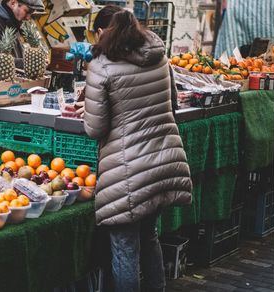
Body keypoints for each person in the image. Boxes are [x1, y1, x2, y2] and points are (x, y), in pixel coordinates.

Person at [83, 7, 193, 292]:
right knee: (149, 237)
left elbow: (95, 129)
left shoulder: (102, 65)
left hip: (127, 168)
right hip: (162, 160)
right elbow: (171, 103)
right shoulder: (159, 57)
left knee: (125, 248)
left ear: (103, 33)